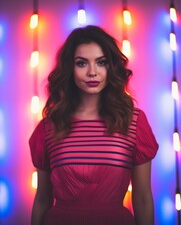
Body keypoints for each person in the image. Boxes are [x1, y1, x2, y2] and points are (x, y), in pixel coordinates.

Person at [29, 25, 159, 225]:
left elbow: (142, 199)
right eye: (81, 63)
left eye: (101, 62)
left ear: (112, 67)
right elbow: (43, 199)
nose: (92, 72)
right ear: (69, 69)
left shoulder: (134, 122)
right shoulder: (49, 127)